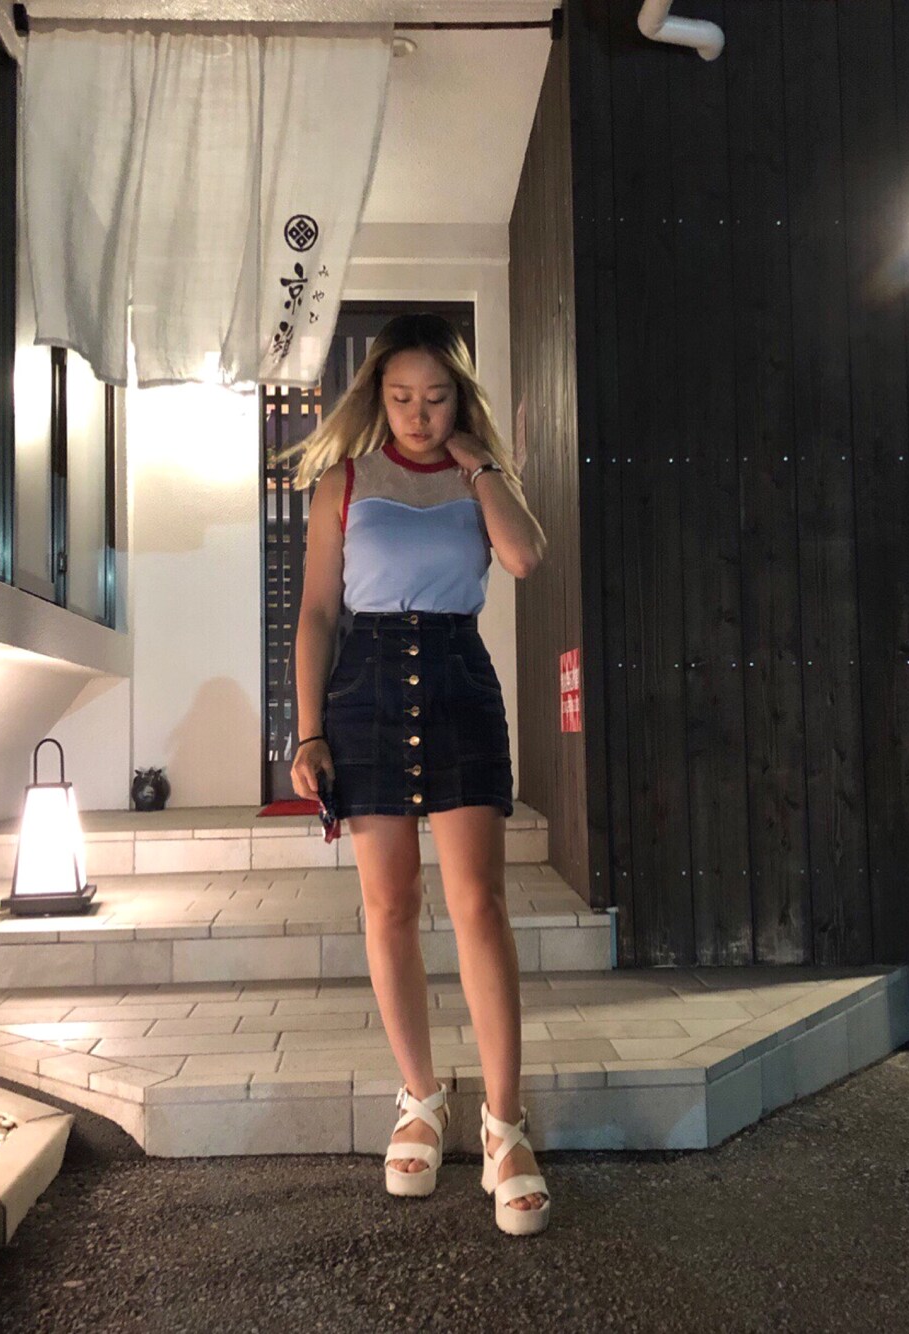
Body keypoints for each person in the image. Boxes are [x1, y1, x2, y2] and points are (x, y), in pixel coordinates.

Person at [283, 311, 550, 1236]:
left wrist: (481, 466)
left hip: (458, 683)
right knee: (389, 905)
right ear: (377, 396)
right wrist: (307, 732)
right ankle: (422, 1100)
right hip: (363, 691)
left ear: (459, 397)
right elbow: (318, 613)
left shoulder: (482, 478)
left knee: (479, 903)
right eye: (401, 397)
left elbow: (525, 557)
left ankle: (505, 1126)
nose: (419, 414)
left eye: (436, 397)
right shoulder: (346, 481)